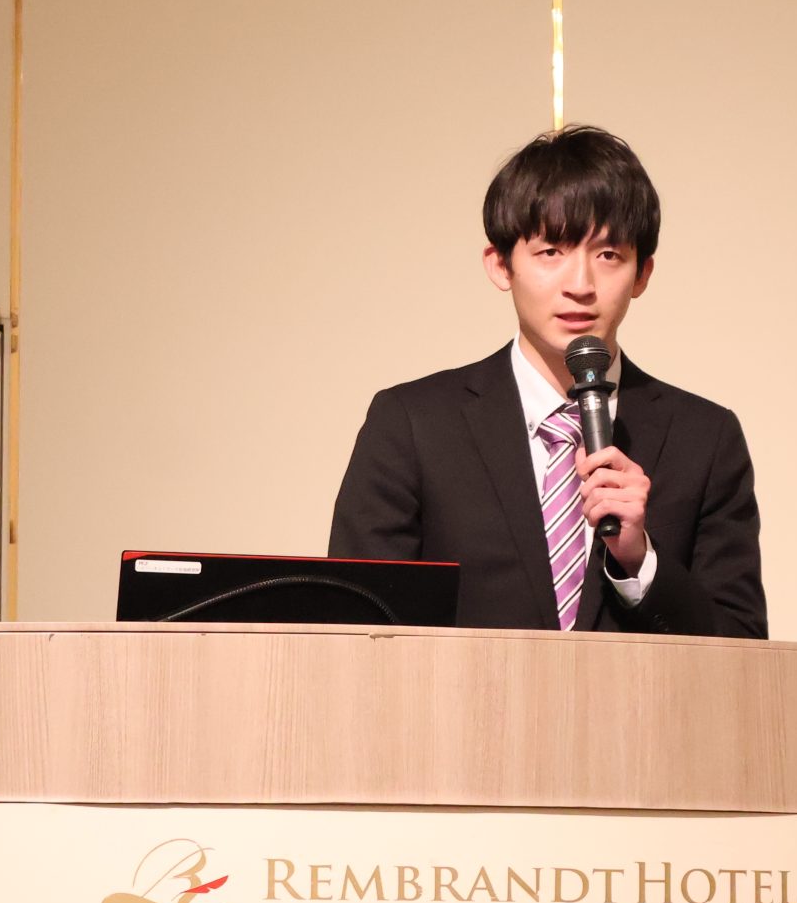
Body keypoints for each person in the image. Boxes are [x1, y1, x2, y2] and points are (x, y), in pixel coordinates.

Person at [329, 126, 767, 637]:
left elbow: (743, 645)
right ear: (500, 265)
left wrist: (640, 560)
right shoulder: (412, 425)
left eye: (608, 255)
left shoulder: (706, 438)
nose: (580, 285)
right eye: (551, 252)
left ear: (643, 273)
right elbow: (355, 625)